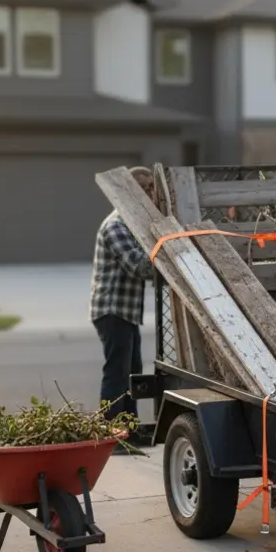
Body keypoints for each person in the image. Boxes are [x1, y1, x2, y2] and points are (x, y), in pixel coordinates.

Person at [89, 166, 159, 454]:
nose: (152, 196)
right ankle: (112, 436)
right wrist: (166, 249)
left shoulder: (130, 223)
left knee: (132, 372)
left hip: (126, 312)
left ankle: (129, 430)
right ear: (134, 192)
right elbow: (139, 266)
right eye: (148, 190)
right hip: (111, 310)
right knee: (116, 374)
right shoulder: (116, 225)